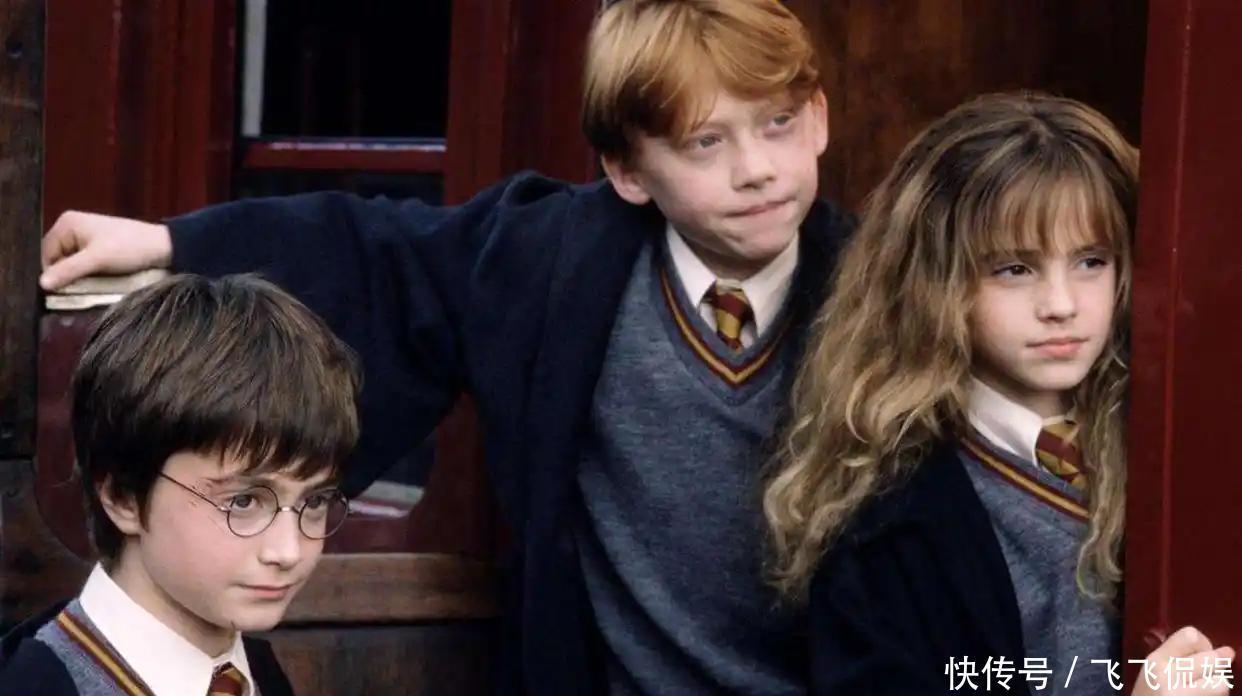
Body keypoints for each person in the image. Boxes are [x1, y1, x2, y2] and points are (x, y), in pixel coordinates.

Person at [37, 1, 854, 693]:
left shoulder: (881, 300)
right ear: (627, 170)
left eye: (777, 123)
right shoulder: (558, 264)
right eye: (706, 142)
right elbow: (381, 253)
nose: (756, 170)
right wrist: (174, 243)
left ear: (817, 118)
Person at [763, 92, 1234, 695]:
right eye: (1015, 269)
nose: (1060, 305)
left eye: (1091, 261)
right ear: (935, 284)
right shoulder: (885, 522)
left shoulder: (1169, 440)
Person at [0, 274, 359, 696]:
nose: (288, 551)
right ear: (123, 496)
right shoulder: (36, 684)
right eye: (243, 502)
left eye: (314, 501)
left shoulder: (259, 674)